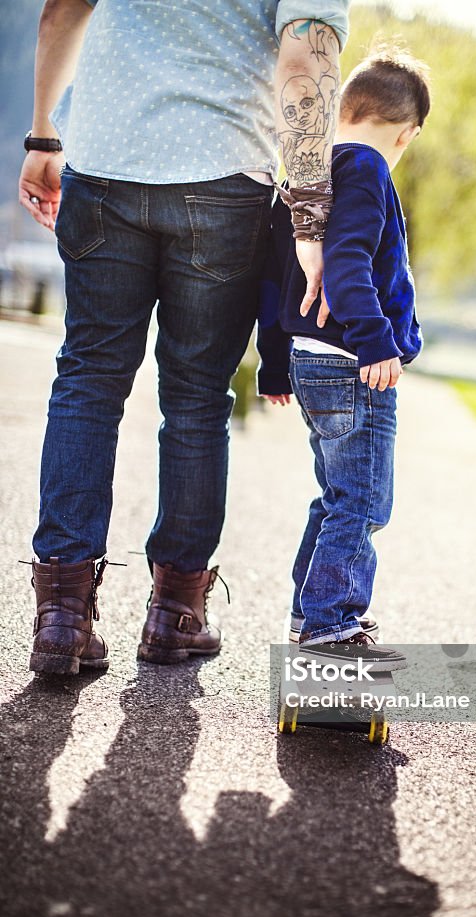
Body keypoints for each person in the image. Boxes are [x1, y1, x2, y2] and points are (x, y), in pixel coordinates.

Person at [19, 0, 349, 674]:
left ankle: (61, 615)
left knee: (87, 380)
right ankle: (176, 614)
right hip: (223, 175)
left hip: (105, 157)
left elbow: (62, 11)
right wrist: (310, 216)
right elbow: (305, 59)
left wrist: (44, 135)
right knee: (197, 399)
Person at [257, 47, 430, 668]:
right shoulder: (366, 170)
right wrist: (378, 339)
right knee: (362, 501)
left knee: (336, 494)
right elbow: (349, 263)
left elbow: (276, 281)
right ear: (406, 133)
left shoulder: (304, 173)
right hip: (354, 364)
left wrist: (274, 361)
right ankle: (333, 623)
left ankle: (310, 611)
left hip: (309, 360)